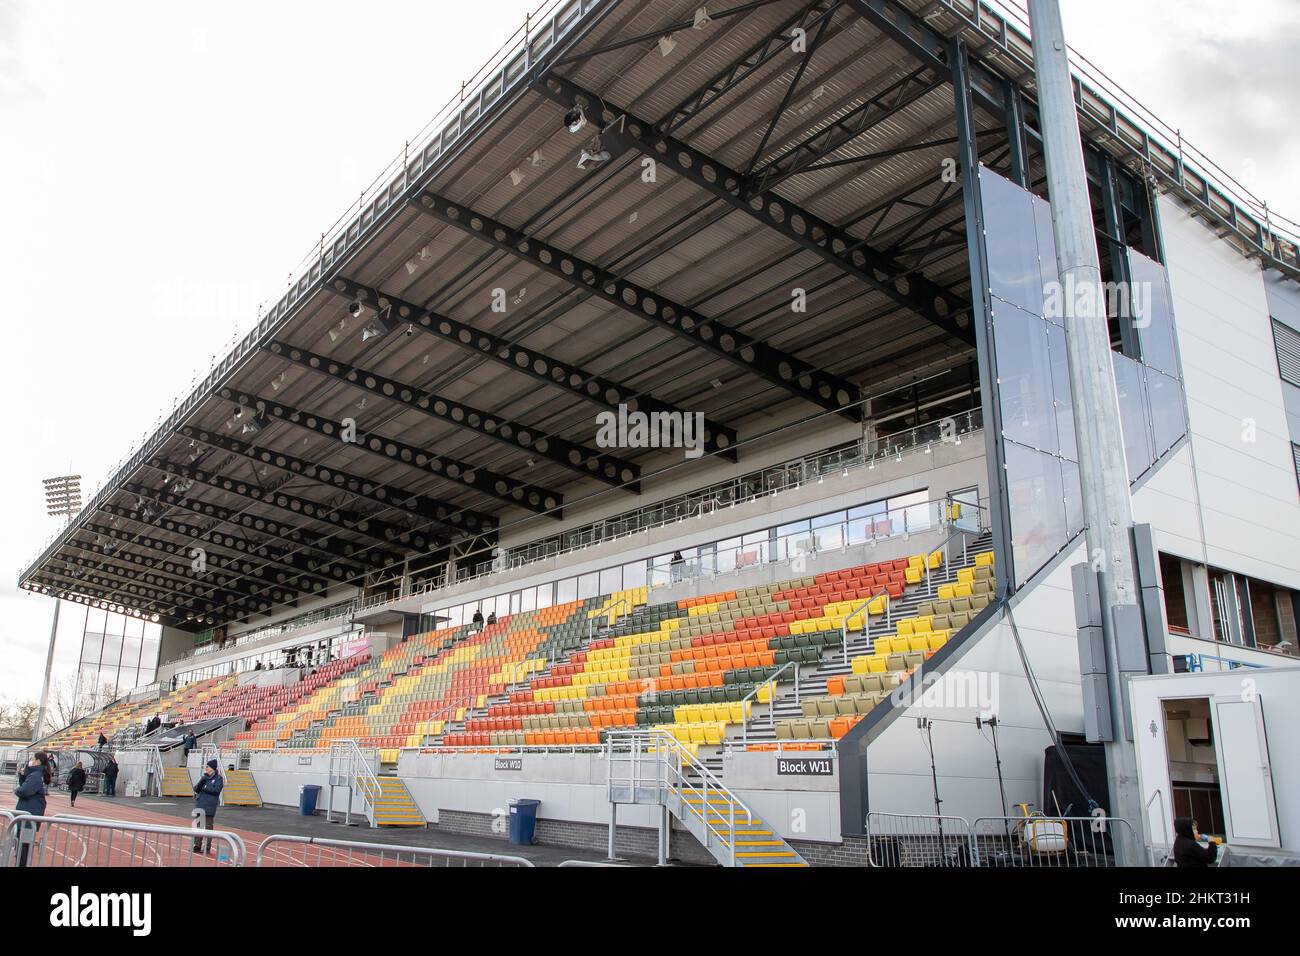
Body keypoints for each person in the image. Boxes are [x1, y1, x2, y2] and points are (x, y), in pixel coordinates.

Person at [13, 753, 49, 866]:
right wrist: (23, 776)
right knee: (22, 849)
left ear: (38, 761)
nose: (30, 761)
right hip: (30, 815)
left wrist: (17, 790)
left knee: (23, 850)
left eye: (32, 759)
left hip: (28, 817)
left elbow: (25, 791)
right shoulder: (36, 774)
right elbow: (27, 787)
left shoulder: (36, 775)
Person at [192, 760, 224, 854]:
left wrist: (205, 788)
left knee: (208, 828)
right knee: (199, 827)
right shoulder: (204, 777)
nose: (206, 768)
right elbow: (196, 789)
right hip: (200, 805)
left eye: (208, 767)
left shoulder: (218, 778)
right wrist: (202, 781)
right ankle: (197, 845)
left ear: (213, 768)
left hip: (210, 806)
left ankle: (207, 847)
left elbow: (216, 790)